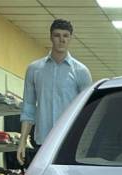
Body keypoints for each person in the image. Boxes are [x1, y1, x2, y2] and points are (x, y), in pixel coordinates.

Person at [17, 19, 92, 166]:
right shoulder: (34, 69)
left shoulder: (81, 71)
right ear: (51, 37)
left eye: (65, 36)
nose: (61, 40)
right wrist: (22, 141)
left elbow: (87, 111)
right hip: (42, 141)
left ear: (70, 38)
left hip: (70, 141)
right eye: (57, 35)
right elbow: (28, 108)